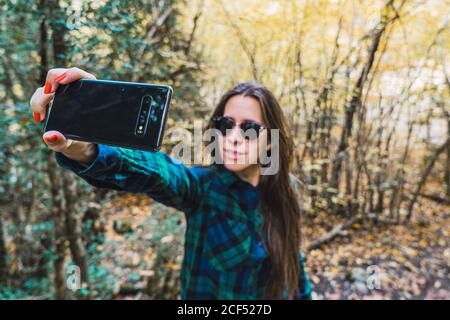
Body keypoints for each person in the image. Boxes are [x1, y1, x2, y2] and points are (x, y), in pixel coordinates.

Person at [30, 67, 312, 300]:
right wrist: (87, 148)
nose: (234, 137)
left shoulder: (285, 189)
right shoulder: (202, 188)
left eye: (249, 128)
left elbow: (294, 268)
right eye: (226, 125)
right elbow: (159, 173)